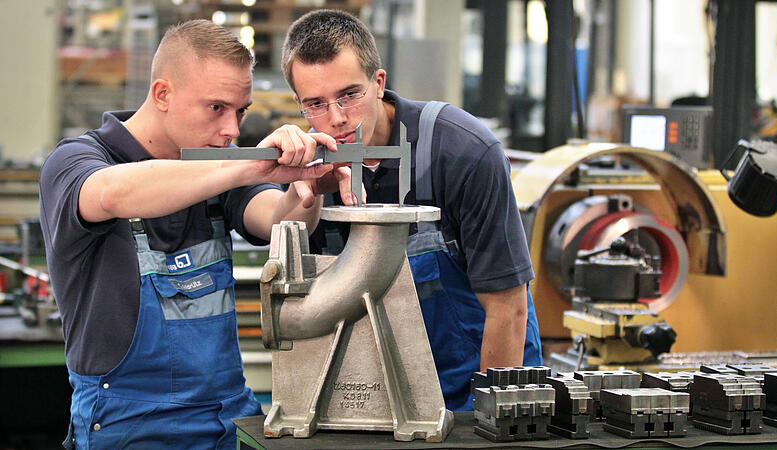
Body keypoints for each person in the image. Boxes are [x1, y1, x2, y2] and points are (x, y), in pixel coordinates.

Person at [39, 20, 355, 448]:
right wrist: (248, 165)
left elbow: (278, 222)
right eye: (216, 108)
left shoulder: (217, 160)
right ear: (162, 94)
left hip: (227, 416)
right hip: (130, 427)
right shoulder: (77, 160)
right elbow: (111, 194)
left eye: (240, 111)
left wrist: (308, 185)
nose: (232, 130)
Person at [280, 9, 542, 411]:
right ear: (299, 104)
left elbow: (507, 307)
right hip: (375, 398)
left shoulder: (462, 151)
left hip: (476, 391)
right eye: (316, 103)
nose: (337, 118)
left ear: (378, 82)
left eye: (350, 94)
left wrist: (488, 422)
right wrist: (306, 192)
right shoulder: (309, 170)